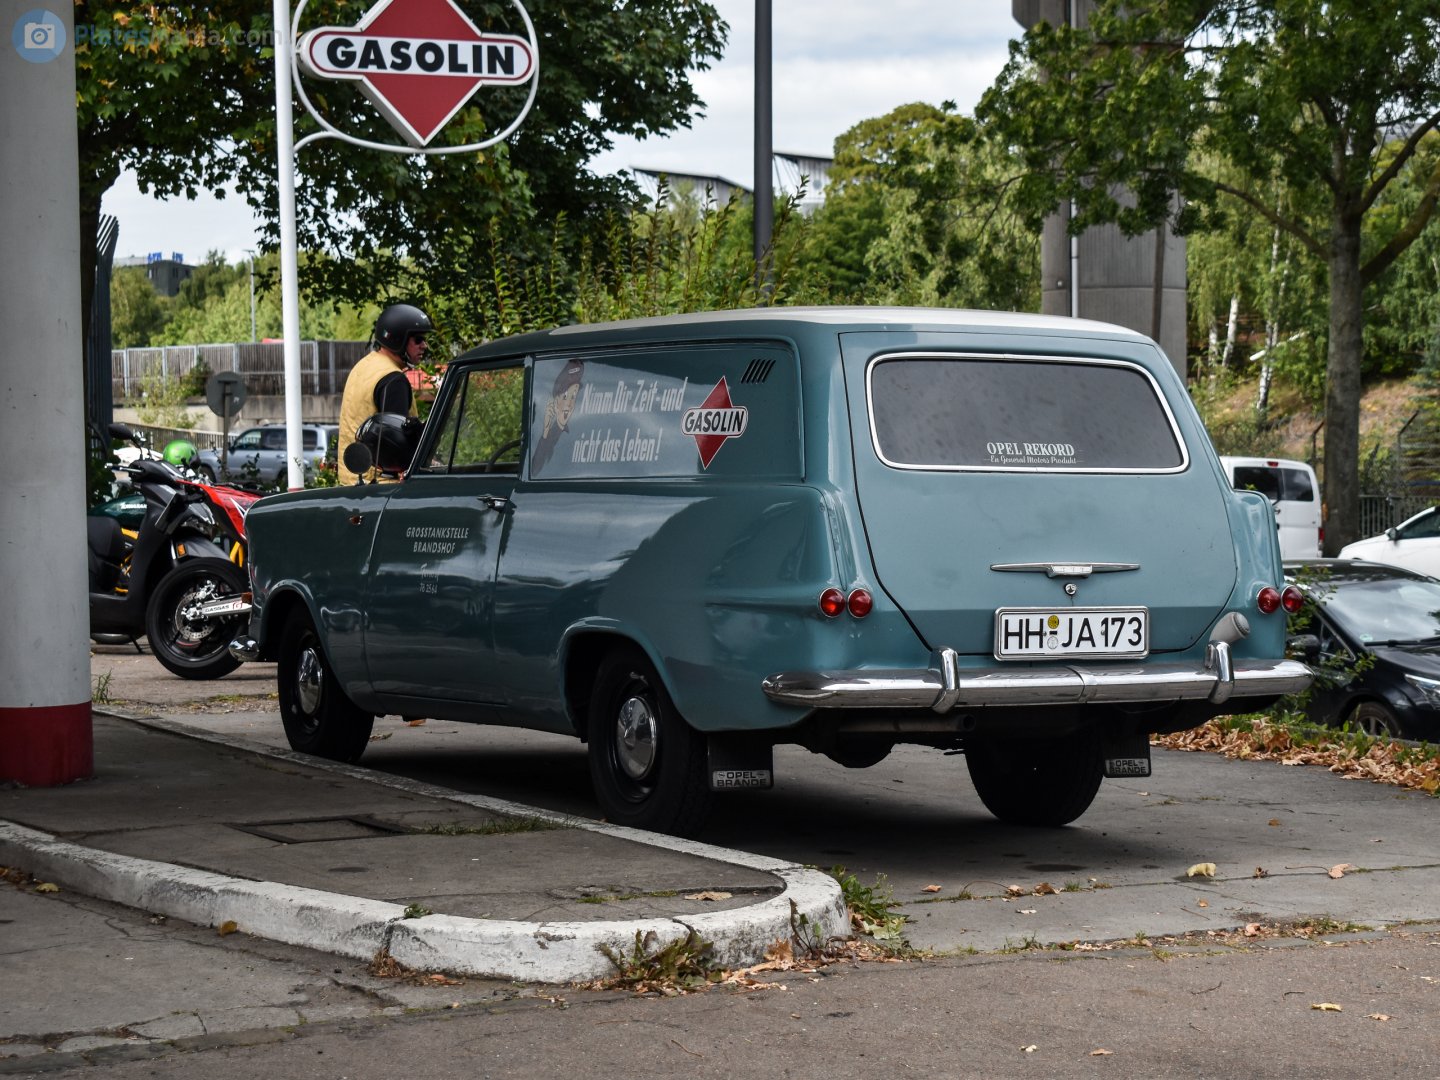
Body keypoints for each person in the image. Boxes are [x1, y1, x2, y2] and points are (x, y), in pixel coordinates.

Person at [337, 303, 432, 484]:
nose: (424, 346)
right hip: (382, 487)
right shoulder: (393, 380)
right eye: (418, 340)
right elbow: (397, 445)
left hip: (351, 482)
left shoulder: (364, 366)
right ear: (398, 339)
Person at [529, 358, 584, 476]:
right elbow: (535, 471)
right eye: (565, 397)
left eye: (573, 397)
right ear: (556, 400)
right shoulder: (548, 432)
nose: (569, 404)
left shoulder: (578, 432)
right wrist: (545, 433)